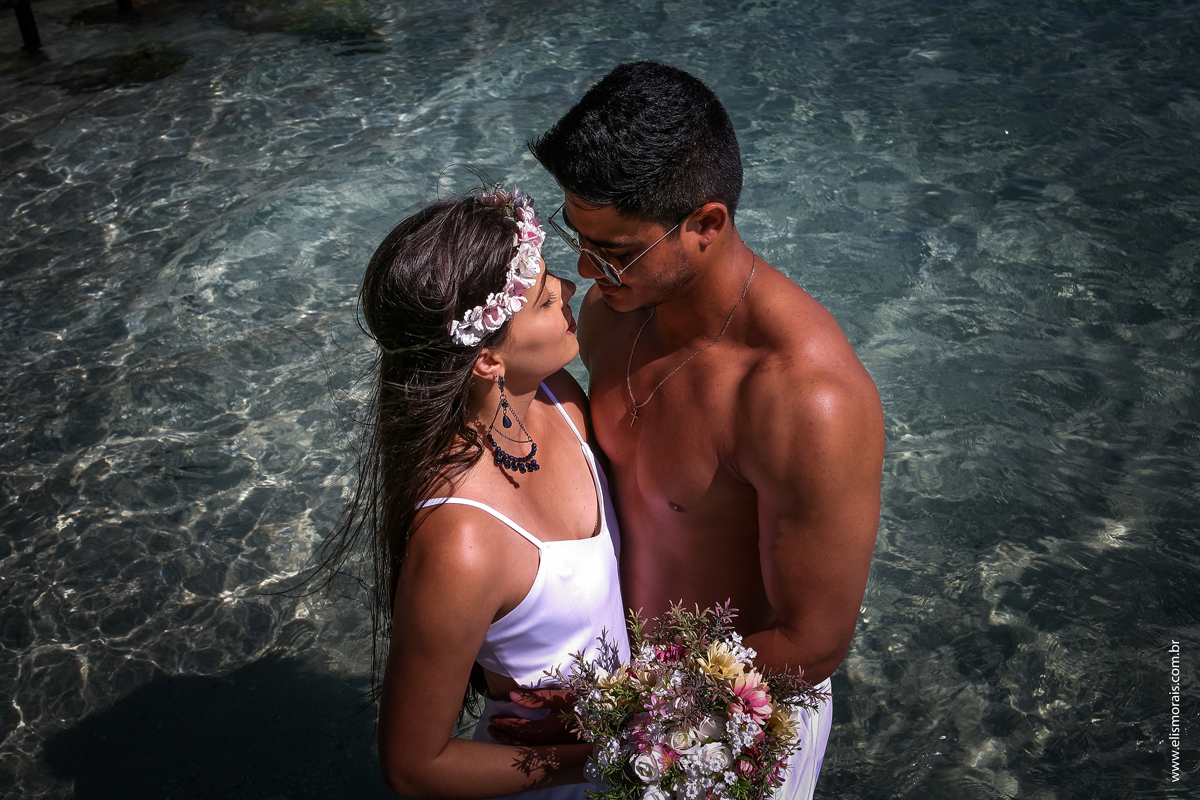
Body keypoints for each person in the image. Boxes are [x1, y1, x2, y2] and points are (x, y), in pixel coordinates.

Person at [495, 62, 885, 798]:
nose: (586, 271)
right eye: (579, 237)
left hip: (730, 725)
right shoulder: (612, 314)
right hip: (607, 688)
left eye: (617, 251)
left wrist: (617, 710)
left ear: (707, 225)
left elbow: (811, 644)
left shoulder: (804, 399)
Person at [324, 186, 630, 798]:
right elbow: (414, 767)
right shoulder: (461, 541)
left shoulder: (560, 398)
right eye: (545, 299)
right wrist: (609, 753)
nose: (570, 287)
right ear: (487, 359)